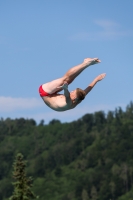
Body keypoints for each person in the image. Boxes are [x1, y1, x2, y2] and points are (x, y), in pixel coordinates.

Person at [39, 58, 106, 111]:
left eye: (73, 92)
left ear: (74, 97)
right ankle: (86, 63)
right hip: (53, 93)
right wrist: (96, 80)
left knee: (64, 80)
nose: (72, 91)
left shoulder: (69, 104)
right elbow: (88, 90)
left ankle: (86, 63)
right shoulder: (79, 98)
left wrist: (65, 89)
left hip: (45, 92)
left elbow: (67, 96)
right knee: (69, 81)